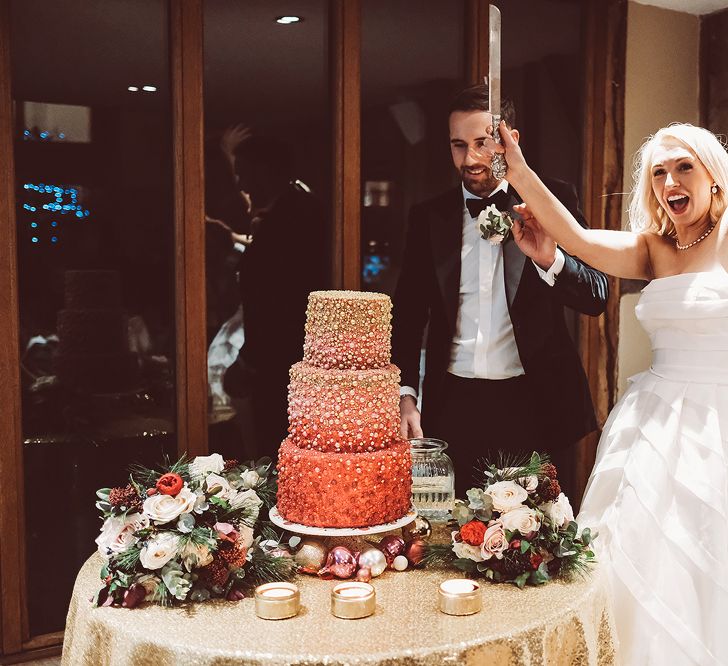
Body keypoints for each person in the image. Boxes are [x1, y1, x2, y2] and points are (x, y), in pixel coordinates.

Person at [499, 121, 728, 664]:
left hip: (716, 423)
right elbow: (575, 239)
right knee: (641, 555)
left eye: (683, 167)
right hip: (652, 422)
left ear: (714, 177)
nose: (670, 181)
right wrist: (521, 173)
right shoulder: (654, 248)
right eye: (659, 173)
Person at [391, 85, 608, 498]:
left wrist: (549, 259)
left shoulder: (552, 199)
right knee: (452, 537)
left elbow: (596, 295)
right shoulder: (428, 217)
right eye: (458, 145)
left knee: (533, 544)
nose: (470, 158)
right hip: (452, 404)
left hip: (533, 403)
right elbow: (408, 315)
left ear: (510, 141)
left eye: (481, 143)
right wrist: (406, 395)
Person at [233, 133, 328, 459]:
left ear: (267, 171)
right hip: (280, 362)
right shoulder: (288, 211)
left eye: (243, 171)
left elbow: (281, 299)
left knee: (283, 454)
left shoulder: (297, 216)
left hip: (287, 364)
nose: (240, 183)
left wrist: (249, 361)